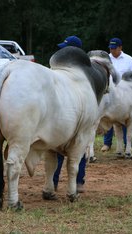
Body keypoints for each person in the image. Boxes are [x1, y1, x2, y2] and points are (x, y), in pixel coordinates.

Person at [53, 35, 86, 193]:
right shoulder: (59, 67)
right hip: (63, 113)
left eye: (65, 48)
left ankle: (78, 181)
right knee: (56, 149)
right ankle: (53, 182)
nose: (62, 51)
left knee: (79, 148)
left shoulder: (83, 71)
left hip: (76, 115)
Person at [101, 38, 132, 152]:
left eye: (114, 48)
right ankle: (107, 143)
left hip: (124, 94)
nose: (112, 50)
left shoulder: (129, 59)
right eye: (110, 48)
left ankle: (128, 144)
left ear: (120, 47)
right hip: (109, 92)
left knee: (125, 117)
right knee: (107, 117)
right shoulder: (106, 59)